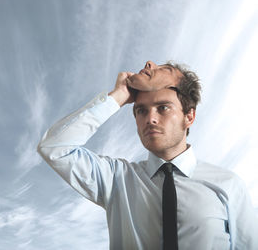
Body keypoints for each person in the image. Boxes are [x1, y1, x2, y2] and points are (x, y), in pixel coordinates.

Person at [37, 61, 258, 250]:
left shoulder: (228, 186)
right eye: (141, 110)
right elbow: (55, 148)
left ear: (189, 116)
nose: (150, 119)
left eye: (163, 108)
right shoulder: (117, 179)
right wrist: (118, 97)